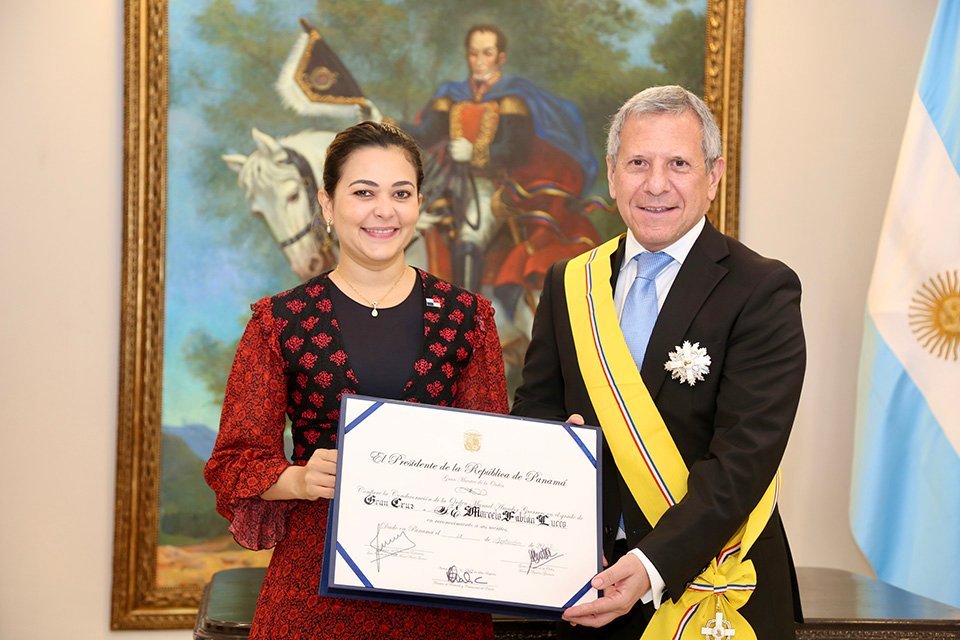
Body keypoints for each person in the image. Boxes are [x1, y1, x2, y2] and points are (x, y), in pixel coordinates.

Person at [511, 85, 805, 639]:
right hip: (589, 588)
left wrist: (649, 567)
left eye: (679, 164)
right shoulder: (569, 282)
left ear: (713, 176)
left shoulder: (762, 289)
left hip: (713, 586)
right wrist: (554, 447)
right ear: (611, 174)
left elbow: (745, 458)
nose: (655, 184)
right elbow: (535, 414)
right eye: (638, 163)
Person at [204, 121, 508, 640]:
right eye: (364, 193)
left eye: (401, 193)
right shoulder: (279, 321)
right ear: (327, 205)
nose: (383, 210)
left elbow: (492, 458)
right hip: (314, 587)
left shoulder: (468, 317)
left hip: (439, 594)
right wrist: (299, 479)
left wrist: (550, 459)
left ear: (419, 205)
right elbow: (234, 463)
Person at [406, 23, 600, 302]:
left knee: (470, 237)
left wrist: (476, 153)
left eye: (486, 53)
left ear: (500, 58)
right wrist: (382, 121)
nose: (479, 61)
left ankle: (467, 314)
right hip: (446, 181)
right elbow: (426, 134)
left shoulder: (511, 98)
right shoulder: (451, 95)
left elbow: (517, 150)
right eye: (473, 54)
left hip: (491, 184)